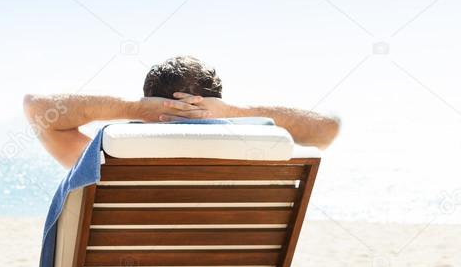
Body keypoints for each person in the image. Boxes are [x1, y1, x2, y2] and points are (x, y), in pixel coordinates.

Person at [23, 55, 341, 168]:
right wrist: (231, 112)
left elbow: (36, 108)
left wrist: (132, 109)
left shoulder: (106, 162)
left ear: (149, 104)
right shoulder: (255, 158)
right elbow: (328, 129)